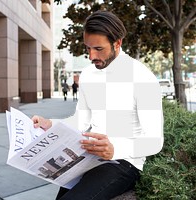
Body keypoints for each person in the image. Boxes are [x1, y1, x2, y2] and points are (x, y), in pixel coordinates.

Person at [32, 10, 164, 200]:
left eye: (99, 49)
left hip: (123, 162)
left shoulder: (142, 78)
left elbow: (155, 140)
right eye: (88, 48)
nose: (92, 55)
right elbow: (81, 120)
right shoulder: (88, 74)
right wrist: (50, 124)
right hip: (87, 157)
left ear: (117, 43)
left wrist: (115, 148)